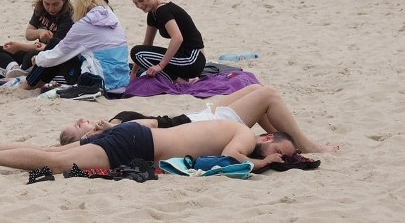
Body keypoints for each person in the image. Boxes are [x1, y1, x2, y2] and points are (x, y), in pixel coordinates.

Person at [0, 119, 296, 176]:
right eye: (285, 150)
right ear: (268, 137)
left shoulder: (232, 127)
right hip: (136, 142)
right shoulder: (247, 136)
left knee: (52, 153)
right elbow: (233, 157)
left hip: (135, 135)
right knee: (57, 163)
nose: (284, 156)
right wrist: (263, 163)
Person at [60, 84, 338, 153]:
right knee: (268, 96)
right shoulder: (117, 128)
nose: (82, 119)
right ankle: (304, 143)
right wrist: (110, 127)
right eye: (78, 126)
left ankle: (280, 138)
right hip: (203, 126)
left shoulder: (113, 121)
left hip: (200, 115)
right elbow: (150, 127)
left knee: (257, 92)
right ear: (85, 137)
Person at [19, 0, 129, 92]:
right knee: (49, 55)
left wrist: (37, 59)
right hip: (121, 81)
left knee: (53, 49)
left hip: (100, 82)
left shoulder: (84, 24)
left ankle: (28, 84)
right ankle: (35, 83)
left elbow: (59, 52)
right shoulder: (110, 15)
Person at [0, 0, 73, 75]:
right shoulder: (41, 9)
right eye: (47, 3)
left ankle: (17, 69)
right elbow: (28, 34)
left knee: (28, 58)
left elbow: (54, 48)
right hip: (36, 48)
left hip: (50, 53)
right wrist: (39, 32)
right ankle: (14, 67)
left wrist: (19, 46)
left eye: (55, 4)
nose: (51, 8)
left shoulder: (68, 17)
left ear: (64, 1)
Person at [128, 0, 205, 82]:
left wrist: (160, 66)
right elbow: (147, 44)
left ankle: (181, 82)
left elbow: (177, 38)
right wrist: (134, 72)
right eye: (136, 3)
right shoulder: (152, 13)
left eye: (141, 0)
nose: (140, 6)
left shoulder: (163, 11)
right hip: (185, 56)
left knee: (138, 52)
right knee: (138, 52)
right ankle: (180, 78)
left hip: (193, 59)